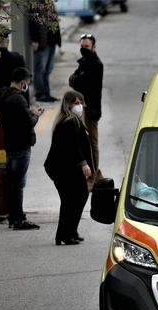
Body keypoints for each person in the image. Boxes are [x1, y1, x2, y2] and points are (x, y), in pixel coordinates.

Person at [0, 67, 44, 230]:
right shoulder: (18, 98)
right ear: (23, 82)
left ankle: (12, 216)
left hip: (9, 144)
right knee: (18, 184)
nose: (27, 86)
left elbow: (15, 117)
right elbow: (28, 123)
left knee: (10, 182)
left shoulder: (3, 95)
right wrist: (35, 114)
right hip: (21, 145)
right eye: (27, 83)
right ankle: (19, 219)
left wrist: (28, 112)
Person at [44, 91, 93, 245]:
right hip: (63, 169)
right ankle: (64, 235)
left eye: (81, 103)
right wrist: (83, 163)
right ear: (68, 105)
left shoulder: (75, 121)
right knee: (70, 200)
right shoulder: (69, 122)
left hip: (69, 168)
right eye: (76, 103)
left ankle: (70, 231)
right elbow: (72, 147)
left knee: (79, 196)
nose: (79, 106)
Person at [69, 34, 104, 188]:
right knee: (83, 142)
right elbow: (74, 80)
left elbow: (78, 81)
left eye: (87, 47)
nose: (83, 49)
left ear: (93, 47)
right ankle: (97, 173)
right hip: (82, 110)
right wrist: (75, 79)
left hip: (91, 110)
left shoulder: (95, 64)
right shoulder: (85, 62)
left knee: (92, 143)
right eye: (82, 47)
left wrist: (75, 79)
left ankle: (93, 175)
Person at [29, 7, 61, 102]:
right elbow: (32, 23)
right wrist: (35, 40)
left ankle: (47, 94)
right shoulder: (36, 5)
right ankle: (40, 94)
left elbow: (55, 22)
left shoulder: (49, 4)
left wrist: (58, 40)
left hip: (52, 41)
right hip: (42, 43)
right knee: (40, 69)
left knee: (48, 70)